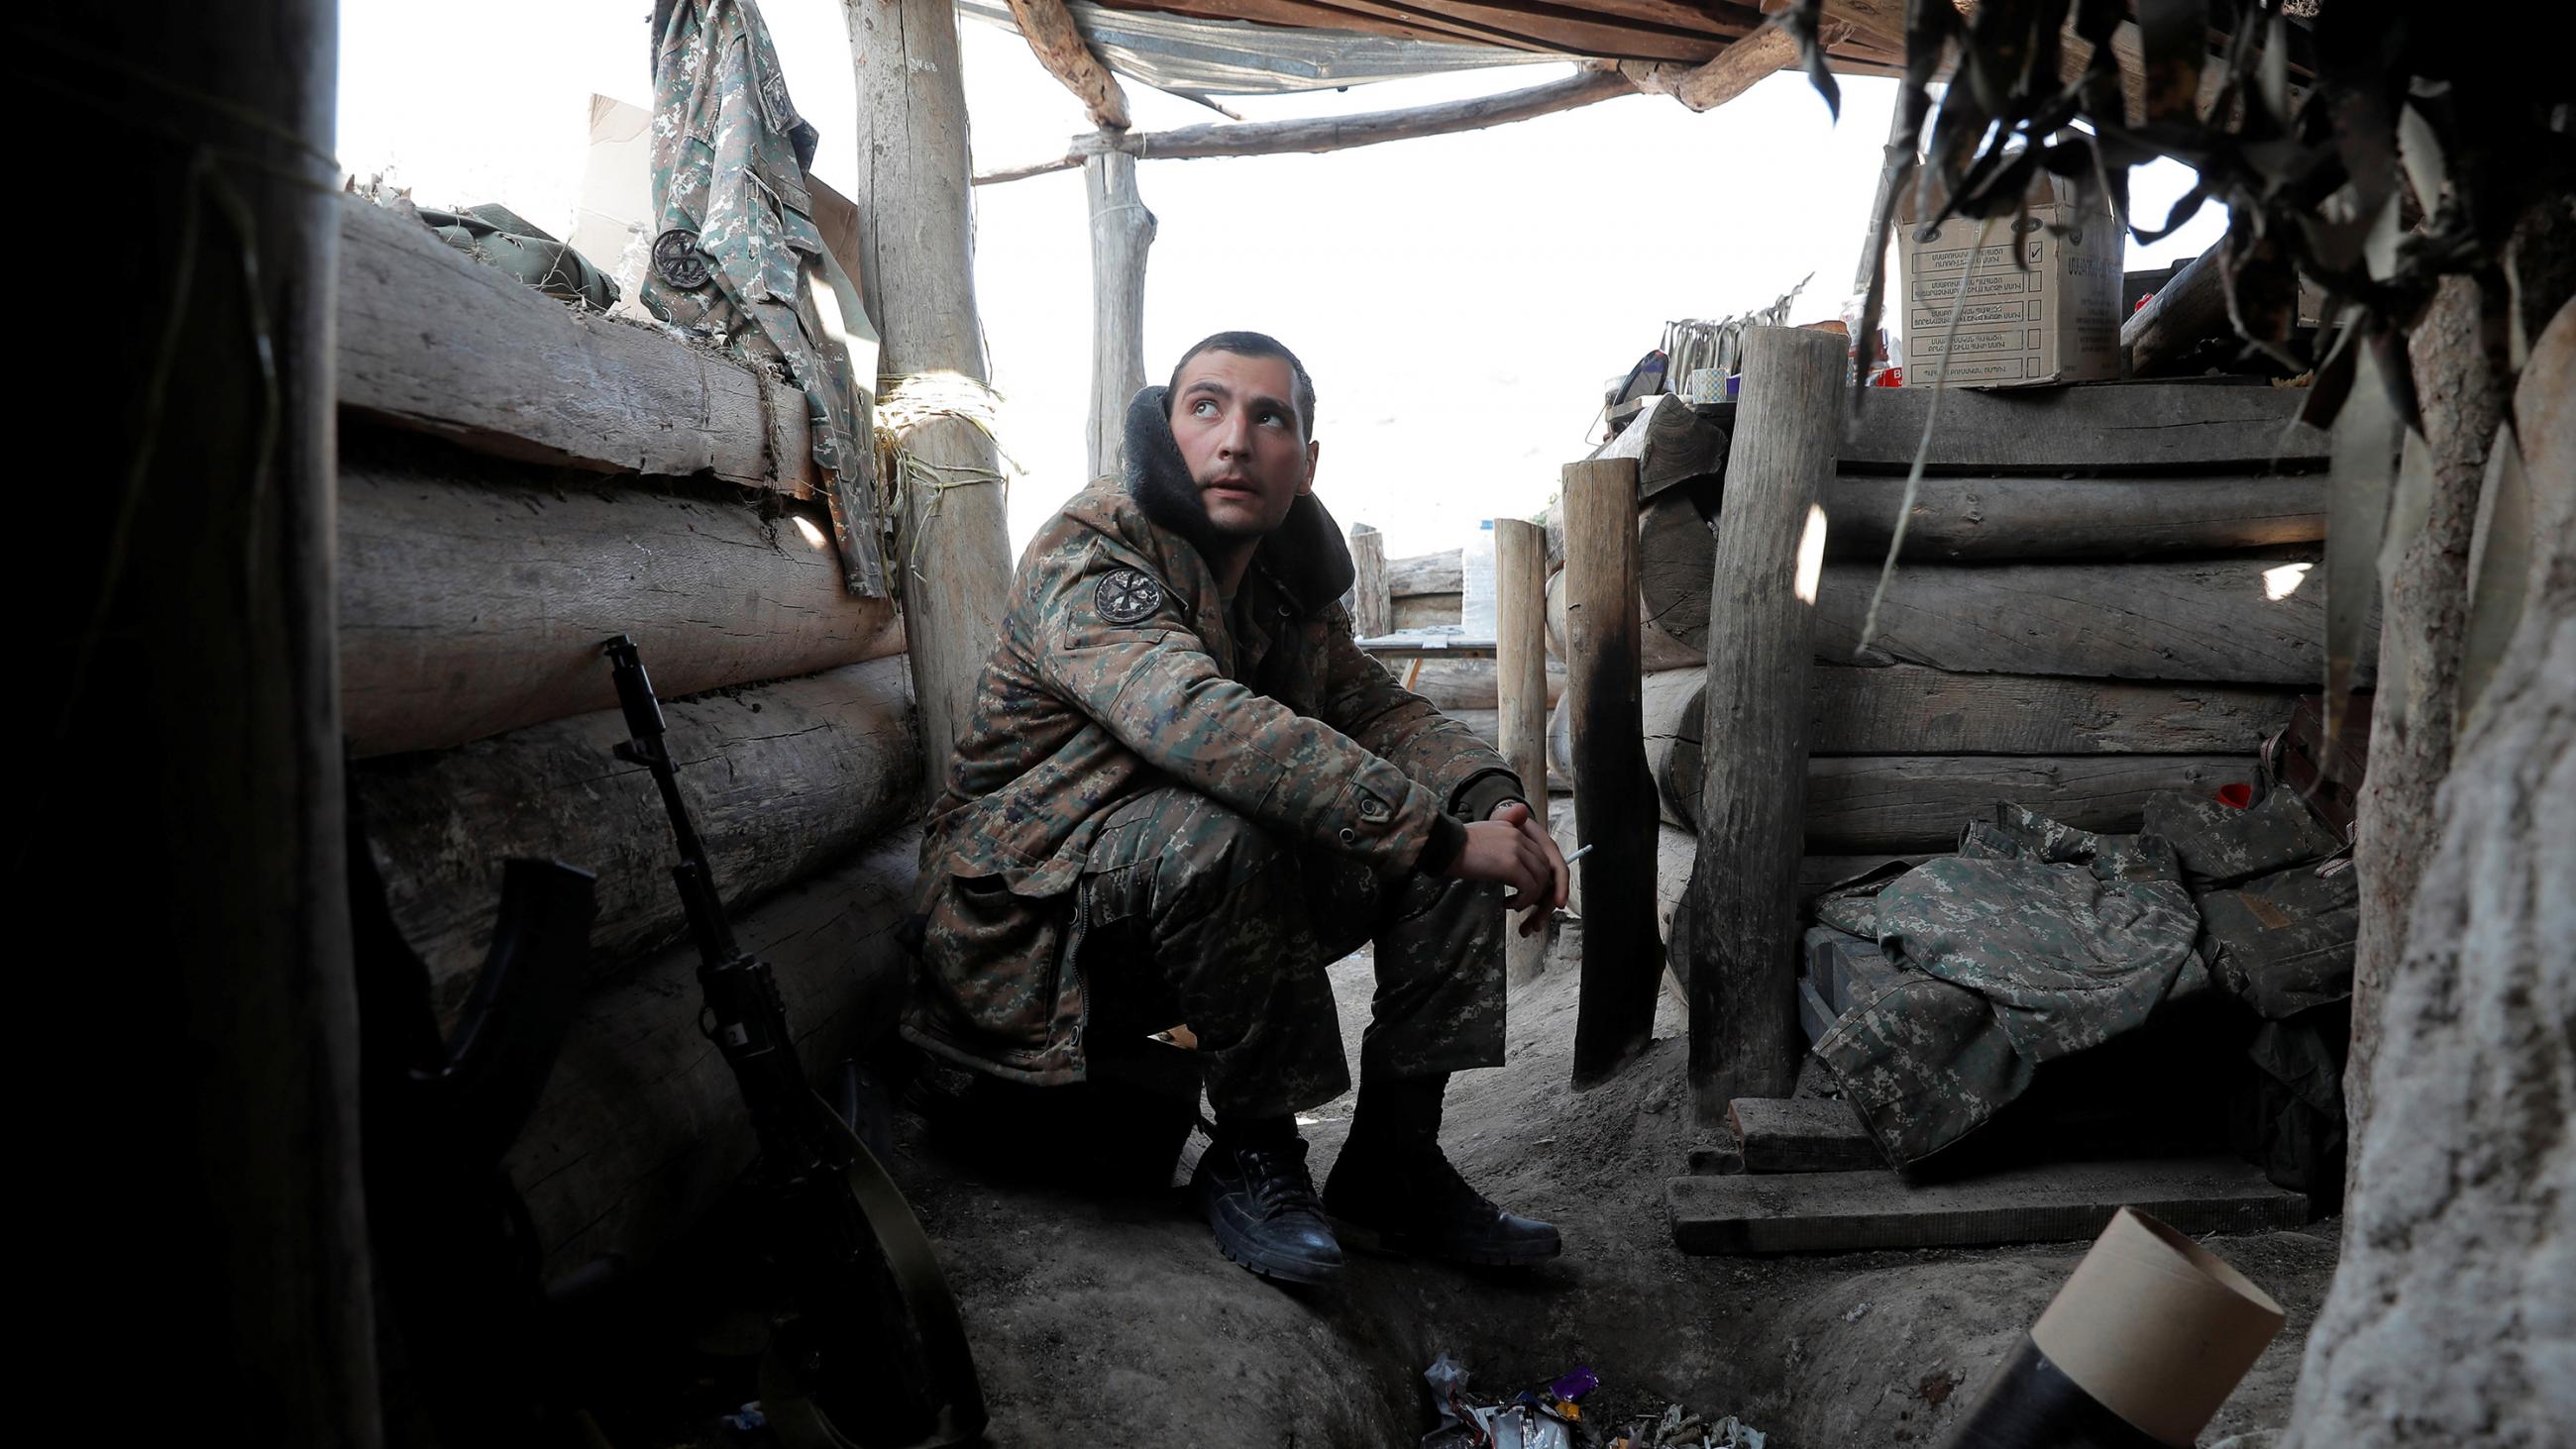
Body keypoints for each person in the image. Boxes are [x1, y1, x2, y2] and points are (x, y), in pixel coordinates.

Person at [903, 331, 1569, 1285]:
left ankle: (1394, 1166)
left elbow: (1377, 710)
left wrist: (1490, 803)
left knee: (1437, 827)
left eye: (1271, 418)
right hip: (1030, 919)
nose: (1236, 440)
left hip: (1182, 902)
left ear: (1306, 459)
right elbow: (1200, 723)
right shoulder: (1096, 548)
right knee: (1253, 825)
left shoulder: (1287, 579)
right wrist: (1439, 834)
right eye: (1206, 407)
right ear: (1166, 431)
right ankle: (1257, 1149)